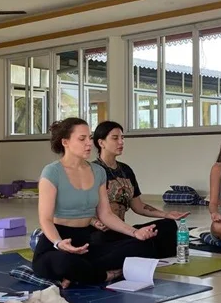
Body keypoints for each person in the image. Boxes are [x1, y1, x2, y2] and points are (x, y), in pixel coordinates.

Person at [34, 117, 157, 287]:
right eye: (82, 138)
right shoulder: (52, 172)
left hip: (85, 243)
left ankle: (80, 274)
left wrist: (135, 232)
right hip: (56, 245)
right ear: (65, 142)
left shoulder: (98, 171)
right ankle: (105, 275)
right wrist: (59, 243)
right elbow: (45, 219)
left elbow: (105, 214)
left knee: (143, 245)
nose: (89, 143)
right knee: (65, 262)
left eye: (90, 138)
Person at [92, 120, 186, 260]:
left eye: (122, 138)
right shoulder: (92, 171)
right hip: (101, 232)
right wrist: (94, 222)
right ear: (101, 143)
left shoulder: (125, 170)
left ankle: (140, 250)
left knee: (168, 226)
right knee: (105, 241)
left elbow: (139, 206)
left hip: (123, 230)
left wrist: (166, 214)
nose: (121, 142)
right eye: (115, 138)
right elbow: (82, 207)